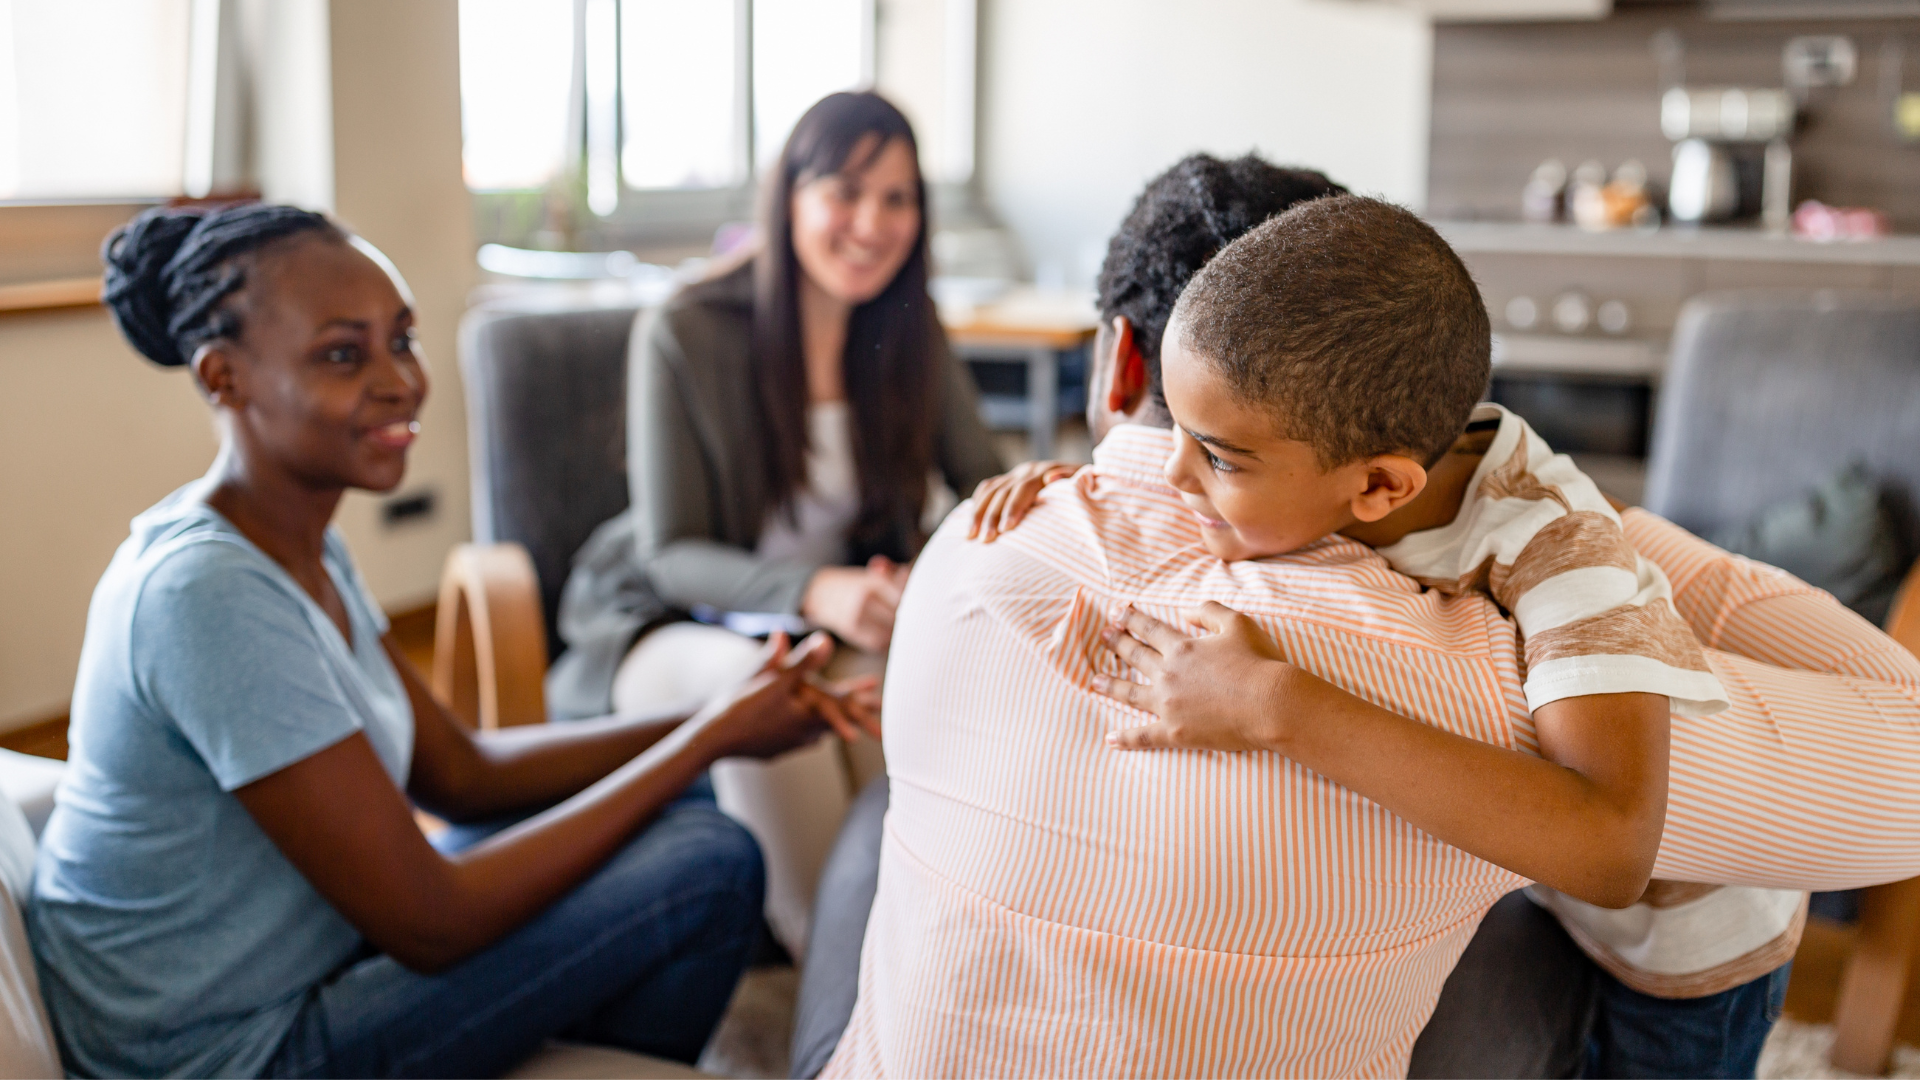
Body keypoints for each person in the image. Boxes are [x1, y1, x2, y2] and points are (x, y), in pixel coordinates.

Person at [817, 197, 1920, 1076]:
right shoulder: (1314, 455)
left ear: (1380, 487)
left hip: (1688, 959)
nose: (1171, 475)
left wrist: (1279, 706)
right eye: (1175, 437)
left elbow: (1615, 848)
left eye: (1218, 457)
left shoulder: (1570, 566)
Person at [28, 202, 873, 1079]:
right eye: (344, 354)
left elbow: (460, 775)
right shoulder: (204, 594)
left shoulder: (297, 545)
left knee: (694, 810)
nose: (401, 381)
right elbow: (432, 923)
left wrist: (722, 716)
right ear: (224, 378)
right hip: (227, 1050)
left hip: (313, 963)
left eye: (404, 339)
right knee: (708, 861)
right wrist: (708, 736)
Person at [550, 91, 1001, 955]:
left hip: (823, 620)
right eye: (845, 190)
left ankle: (914, 960)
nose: (872, 222)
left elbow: (985, 490)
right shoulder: (685, 330)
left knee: (907, 683)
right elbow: (672, 552)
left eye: (898, 197)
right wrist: (817, 589)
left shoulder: (910, 330)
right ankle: (820, 973)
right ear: (789, 196)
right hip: (667, 622)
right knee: (780, 701)